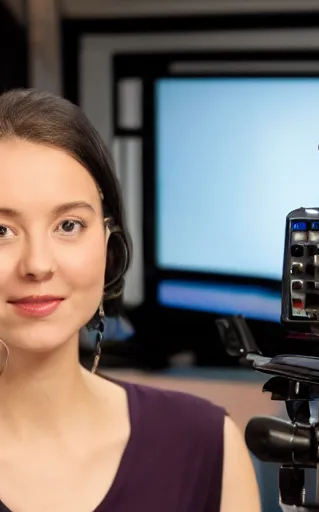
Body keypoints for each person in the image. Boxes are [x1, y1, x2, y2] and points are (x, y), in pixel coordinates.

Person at [0, 88, 261, 512]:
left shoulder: (206, 442)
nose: (38, 264)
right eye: (2, 231)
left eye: (68, 224)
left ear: (108, 242)